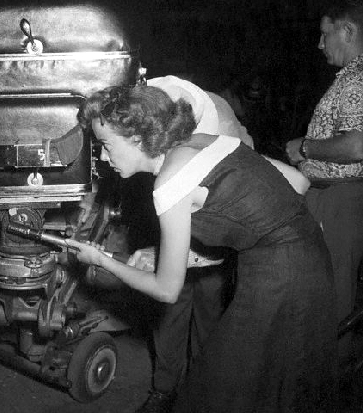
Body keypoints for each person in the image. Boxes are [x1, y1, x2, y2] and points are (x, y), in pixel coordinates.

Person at [67, 85, 338, 412]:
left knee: (222, 390)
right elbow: (297, 183)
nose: (104, 158)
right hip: (306, 263)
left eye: (107, 145)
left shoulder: (168, 183)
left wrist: (101, 260)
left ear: (137, 137)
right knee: (267, 386)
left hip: (278, 281)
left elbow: (167, 290)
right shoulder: (205, 142)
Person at [116, 75, 253, 413]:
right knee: (168, 316)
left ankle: (201, 392)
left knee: (209, 316)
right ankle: (164, 390)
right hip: (172, 224)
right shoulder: (159, 109)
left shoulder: (220, 122)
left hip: (213, 240)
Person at [285, 0, 363, 368]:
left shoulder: (358, 80)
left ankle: (334, 373)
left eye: (325, 33)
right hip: (327, 196)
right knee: (325, 285)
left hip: (340, 198)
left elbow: (357, 145)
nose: (320, 43)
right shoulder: (349, 78)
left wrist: (305, 147)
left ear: (347, 32)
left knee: (335, 288)